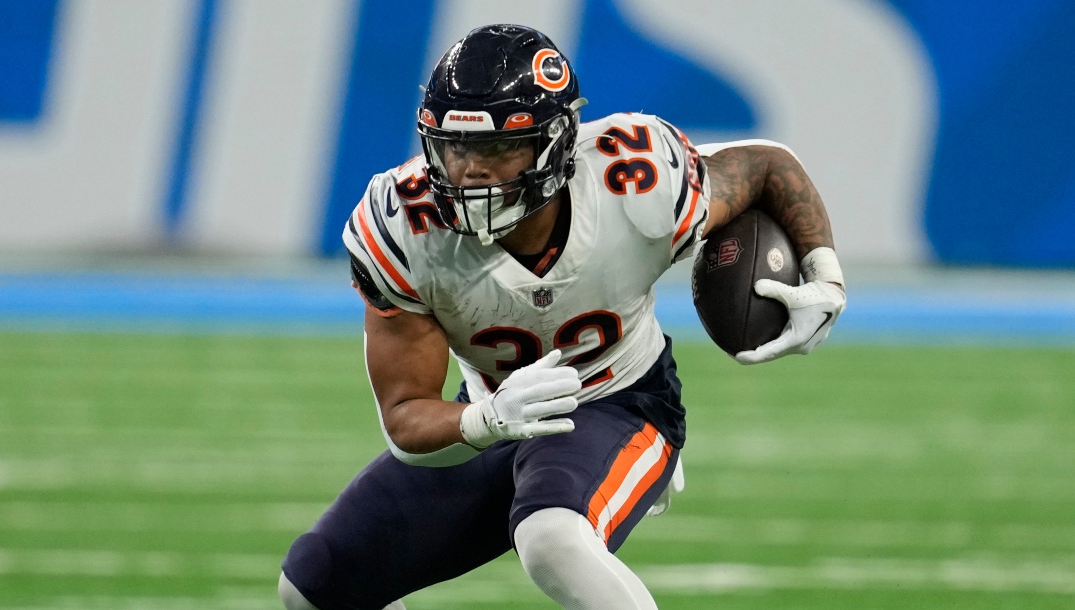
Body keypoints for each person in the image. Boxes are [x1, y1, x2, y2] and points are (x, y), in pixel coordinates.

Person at [278, 23, 846, 610]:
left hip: (619, 398)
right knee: (315, 587)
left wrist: (824, 271)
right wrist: (487, 420)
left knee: (552, 538)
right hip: (497, 405)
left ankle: (626, 467)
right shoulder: (402, 228)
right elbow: (406, 417)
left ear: (554, 144)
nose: (472, 170)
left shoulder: (634, 181)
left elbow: (767, 167)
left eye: (498, 149)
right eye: (456, 147)